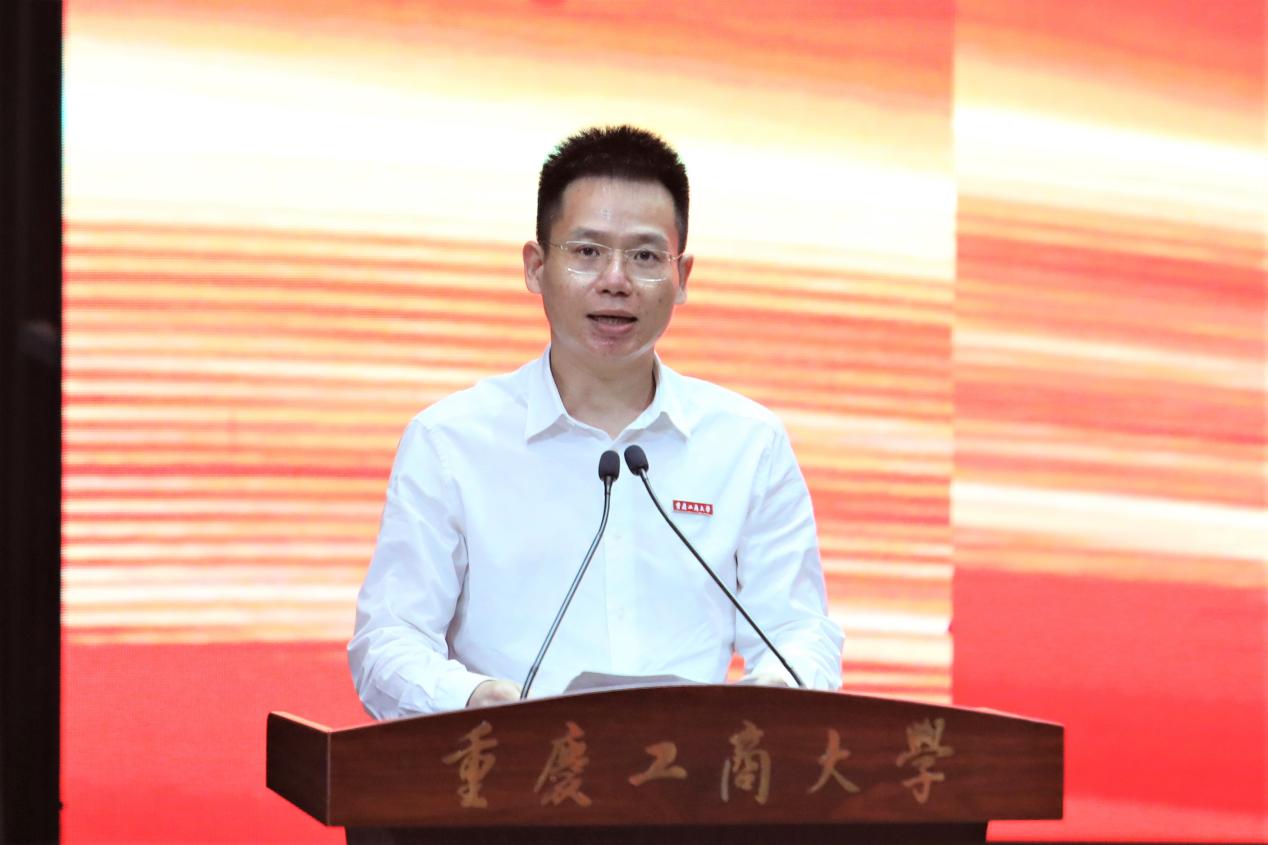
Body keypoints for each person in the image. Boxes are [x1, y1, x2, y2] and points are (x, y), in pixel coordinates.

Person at [348, 126, 843, 718]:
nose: (616, 280)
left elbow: (799, 630)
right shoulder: (450, 441)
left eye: (645, 256)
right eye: (587, 252)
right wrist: (478, 701)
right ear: (535, 267)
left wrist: (777, 696)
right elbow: (389, 640)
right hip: (513, 760)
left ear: (682, 277)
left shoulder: (747, 444)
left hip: (692, 771)